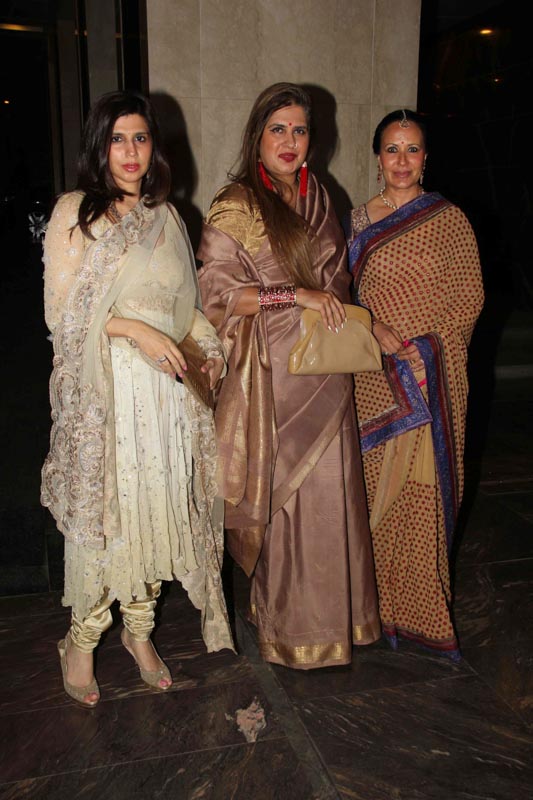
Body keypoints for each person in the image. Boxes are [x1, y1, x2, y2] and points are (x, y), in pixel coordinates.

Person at [41, 90, 234, 707]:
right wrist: (136, 331)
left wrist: (208, 348)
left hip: (164, 399)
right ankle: (81, 639)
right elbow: (62, 319)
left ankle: (140, 631)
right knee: (109, 521)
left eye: (141, 138)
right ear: (99, 148)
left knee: (158, 512)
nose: (130, 152)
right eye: (118, 139)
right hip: (107, 398)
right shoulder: (76, 213)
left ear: (155, 149)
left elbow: (186, 308)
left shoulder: (168, 217)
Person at [196, 82, 381, 670]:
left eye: (299, 130)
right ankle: (288, 628)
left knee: (329, 500)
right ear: (258, 135)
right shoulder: (236, 204)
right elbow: (220, 295)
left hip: (326, 369)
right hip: (273, 376)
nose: (289, 141)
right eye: (278, 129)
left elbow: (339, 280)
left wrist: (328, 304)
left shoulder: (320, 197)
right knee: (287, 504)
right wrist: (295, 295)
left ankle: (337, 624)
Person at [344, 108, 484, 661]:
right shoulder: (356, 223)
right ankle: (369, 609)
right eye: (392, 149)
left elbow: (469, 296)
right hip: (372, 378)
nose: (402, 160)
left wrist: (426, 351)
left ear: (426, 157)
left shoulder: (449, 220)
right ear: (377, 157)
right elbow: (342, 297)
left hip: (431, 378)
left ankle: (422, 610)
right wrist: (372, 328)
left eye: (412, 149)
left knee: (422, 494)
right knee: (371, 492)